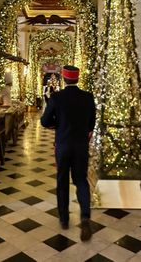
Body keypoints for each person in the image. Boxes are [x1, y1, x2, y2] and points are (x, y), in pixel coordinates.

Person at [41, 65, 96, 241]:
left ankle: (64, 219)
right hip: (81, 146)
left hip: (63, 146)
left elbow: (44, 121)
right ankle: (85, 217)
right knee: (81, 181)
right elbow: (91, 124)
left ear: (64, 79)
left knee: (62, 181)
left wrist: (57, 124)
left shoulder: (57, 98)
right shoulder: (88, 97)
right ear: (77, 79)